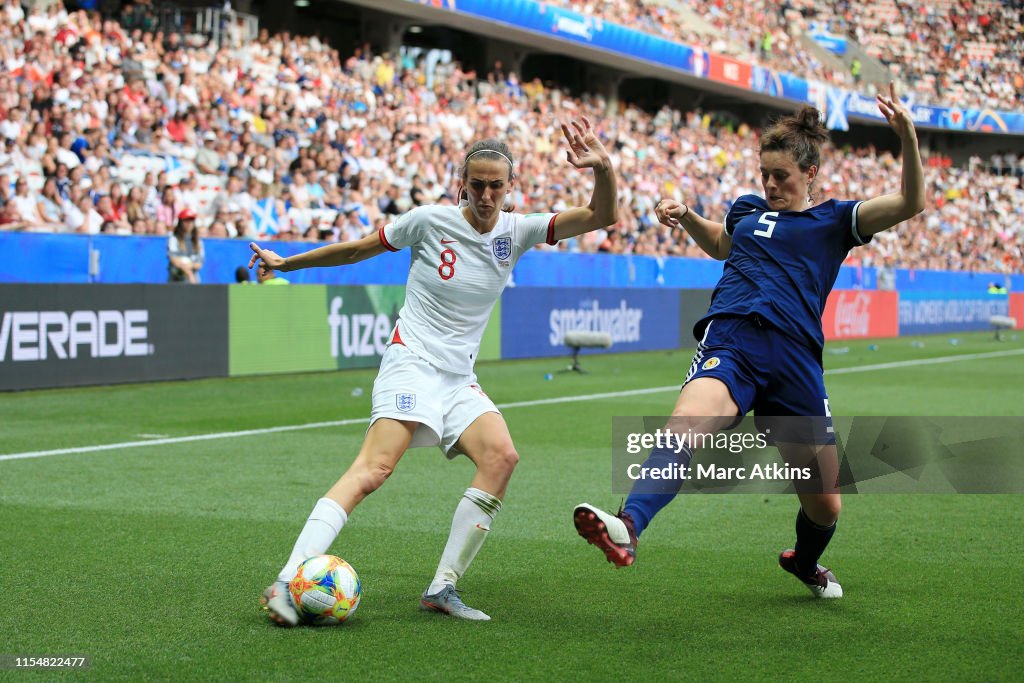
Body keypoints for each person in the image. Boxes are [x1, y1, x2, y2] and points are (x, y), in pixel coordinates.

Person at [250, 116, 618, 625]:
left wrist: (603, 167)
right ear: (461, 185)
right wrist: (288, 263)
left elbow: (603, 214)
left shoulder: (522, 229)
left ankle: (442, 588)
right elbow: (357, 249)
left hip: (458, 377)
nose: (486, 195)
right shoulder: (428, 220)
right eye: (477, 185)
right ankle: (287, 580)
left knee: (502, 457)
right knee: (374, 470)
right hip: (412, 362)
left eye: (495, 185)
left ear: (511, 188)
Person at [573, 84, 924, 599]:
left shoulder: (833, 221)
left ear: (811, 173)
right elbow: (721, 244)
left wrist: (908, 139)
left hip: (796, 361)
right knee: (684, 427)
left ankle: (805, 563)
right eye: (764, 174)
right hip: (733, 338)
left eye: (780, 176)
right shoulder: (746, 209)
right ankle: (629, 526)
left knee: (825, 505)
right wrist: (688, 216)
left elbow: (912, 201)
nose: (770, 184)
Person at [167, 209, 204, 283]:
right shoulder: (174, 239)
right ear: (181, 222)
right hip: (176, 277)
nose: (189, 223)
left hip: (193, 276)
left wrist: (191, 267)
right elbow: (173, 258)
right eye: (186, 221)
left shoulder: (198, 241)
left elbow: (199, 262)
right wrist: (189, 273)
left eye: (191, 221)